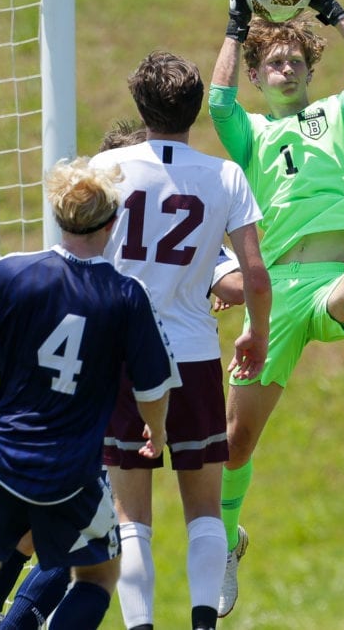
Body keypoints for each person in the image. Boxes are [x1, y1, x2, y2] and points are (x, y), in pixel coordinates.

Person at [207, 0, 344, 616]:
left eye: (296, 58)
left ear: (309, 66)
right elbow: (217, 99)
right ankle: (229, 537)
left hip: (330, 278)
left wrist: (334, 8)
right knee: (236, 443)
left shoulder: (342, 117)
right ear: (262, 76)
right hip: (274, 295)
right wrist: (237, 26)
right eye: (275, 63)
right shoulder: (254, 133)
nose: (285, 67)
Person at [0, 157, 178, 630]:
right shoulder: (126, 295)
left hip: (2, 460)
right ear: (111, 225)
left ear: (58, 217)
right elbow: (152, 386)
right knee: (99, 573)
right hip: (71, 473)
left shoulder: (14, 274)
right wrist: (157, 428)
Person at [92, 50, 272, 630]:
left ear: (139, 105)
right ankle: (201, 624)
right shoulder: (225, 176)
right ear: (195, 108)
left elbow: (77, 263)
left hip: (121, 355)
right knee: (203, 512)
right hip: (192, 354)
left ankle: (141, 626)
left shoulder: (107, 169)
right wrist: (257, 336)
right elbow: (255, 275)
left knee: (131, 517)